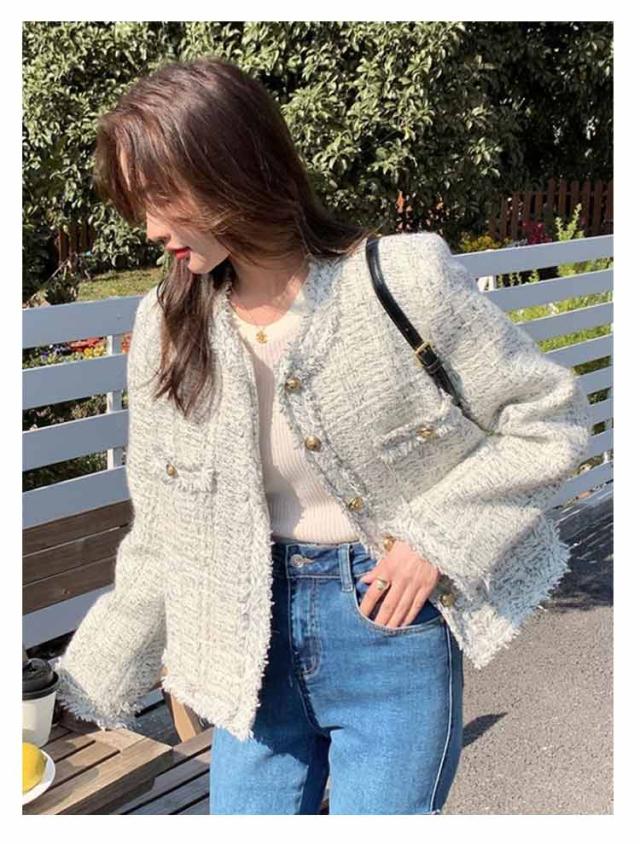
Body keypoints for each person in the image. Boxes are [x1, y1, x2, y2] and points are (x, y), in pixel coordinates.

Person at [53, 56, 592, 815]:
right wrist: (75, 691)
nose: (151, 230)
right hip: (242, 651)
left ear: (234, 168)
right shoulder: (167, 327)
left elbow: (547, 419)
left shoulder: (399, 279)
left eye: (164, 199)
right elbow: (163, 530)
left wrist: (435, 540)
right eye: (139, 206)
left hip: (387, 631)